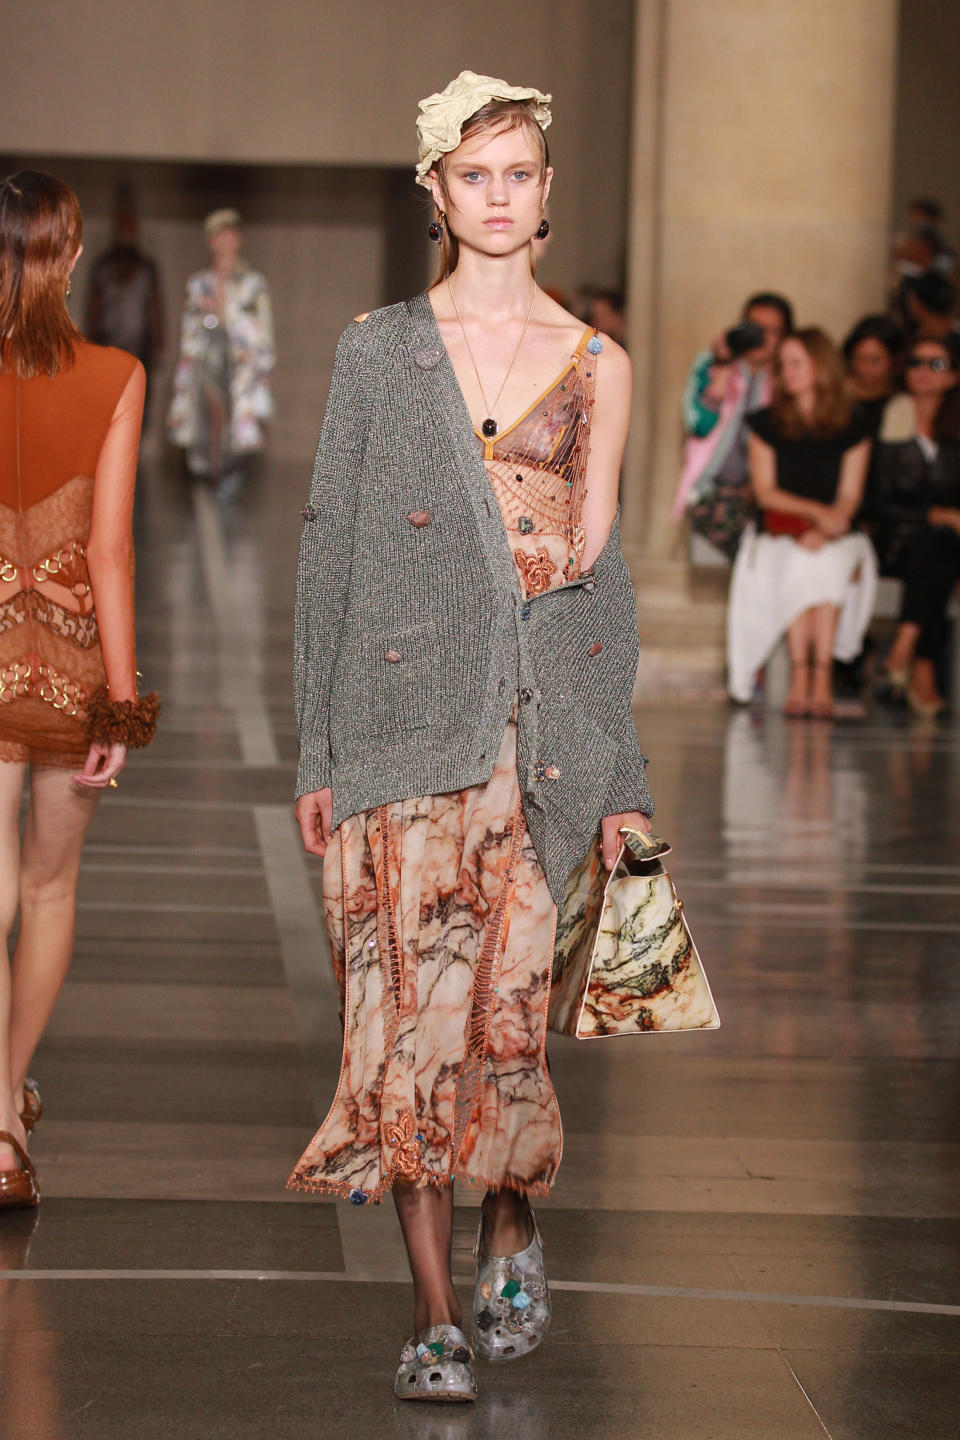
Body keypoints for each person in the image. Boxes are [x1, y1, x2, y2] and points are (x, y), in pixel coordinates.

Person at [290, 70, 653, 1405]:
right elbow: (327, 555)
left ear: (548, 195)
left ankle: (513, 1218)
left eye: (519, 173)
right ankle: (435, 1311)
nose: (497, 197)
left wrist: (625, 781)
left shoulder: (601, 365)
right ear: (436, 192)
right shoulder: (379, 347)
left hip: (542, 750)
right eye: (473, 174)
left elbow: (601, 580)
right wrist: (315, 753)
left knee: (510, 1031)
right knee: (407, 1037)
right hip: (397, 742)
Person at [0, 171, 159, 1209]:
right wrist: (122, 698)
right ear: (70, 253)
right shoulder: (116, 373)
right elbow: (109, 551)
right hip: (63, 664)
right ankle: (5, 1109)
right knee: (49, 888)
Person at [727, 328, 876, 717]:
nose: (787, 372)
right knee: (799, 562)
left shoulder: (854, 424)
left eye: (797, 363)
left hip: (838, 532)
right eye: (783, 365)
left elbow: (850, 494)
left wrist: (830, 524)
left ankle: (820, 677)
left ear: (820, 366)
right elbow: (766, 492)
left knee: (827, 561)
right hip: (780, 532)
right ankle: (803, 676)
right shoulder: (766, 423)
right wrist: (814, 516)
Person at [872, 335, 960, 717]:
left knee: (939, 546)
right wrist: (932, 516)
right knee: (935, 541)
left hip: (946, 545)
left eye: (936, 365)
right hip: (895, 541)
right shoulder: (888, 420)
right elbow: (875, 501)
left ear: (954, 375)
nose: (924, 373)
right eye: (916, 363)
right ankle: (921, 670)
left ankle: (904, 649)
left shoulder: (956, 431)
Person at [674, 291, 794, 559]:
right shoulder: (712, 364)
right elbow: (699, 425)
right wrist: (723, 368)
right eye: (755, 328)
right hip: (711, 493)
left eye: (772, 331)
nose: (762, 337)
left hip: (762, 496)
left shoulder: (787, 379)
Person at [167, 208, 274, 490]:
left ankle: (229, 472)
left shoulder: (253, 283)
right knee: (207, 412)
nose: (225, 241)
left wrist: (264, 367)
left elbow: (263, 328)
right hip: (205, 357)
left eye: (230, 234)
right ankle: (211, 470)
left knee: (236, 416)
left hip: (240, 362)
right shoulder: (199, 283)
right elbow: (188, 327)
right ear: (210, 240)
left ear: (238, 239)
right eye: (218, 235)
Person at [84, 186, 164, 423]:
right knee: (109, 400)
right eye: (123, 227)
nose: (127, 233)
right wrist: (89, 341)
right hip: (108, 341)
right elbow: (93, 306)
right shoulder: (103, 267)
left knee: (139, 401)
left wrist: (158, 341)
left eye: (131, 227)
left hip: (139, 343)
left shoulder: (145, 267)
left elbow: (154, 306)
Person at [842, 313, 904, 437]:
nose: (866, 368)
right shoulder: (837, 395)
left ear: (894, 360)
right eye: (860, 359)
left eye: (875, 360)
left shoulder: (901, 399)